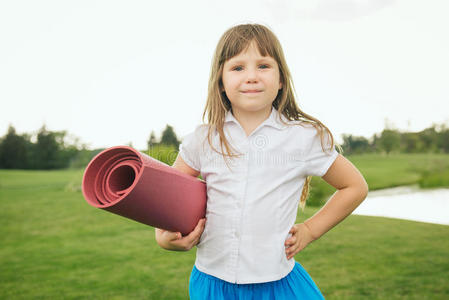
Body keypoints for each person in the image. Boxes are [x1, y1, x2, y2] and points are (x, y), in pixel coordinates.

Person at [155, 23, 368, 299]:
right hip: (213, 284)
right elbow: (166, 199)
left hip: (279, 285)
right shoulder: (202, 140)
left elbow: (354, 187)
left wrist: (310, 230)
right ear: (220, 80)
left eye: (264, 66)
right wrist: (163, 237)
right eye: (238, 67)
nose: (252, 76)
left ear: (281, 79)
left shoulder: (303, 137)